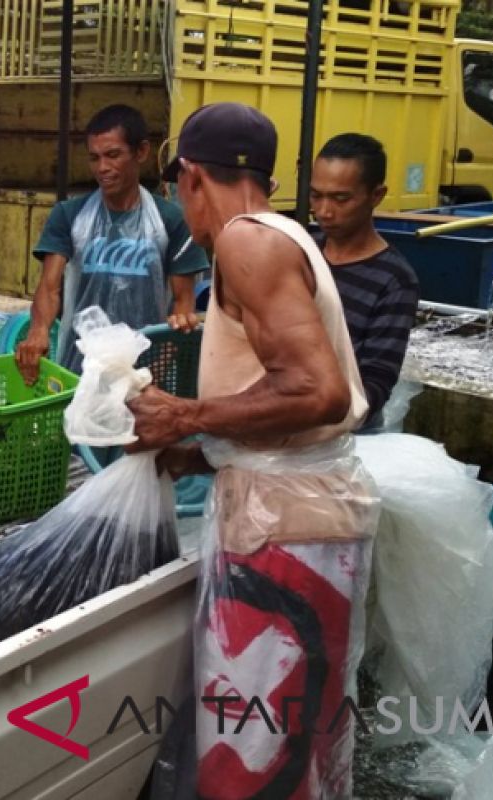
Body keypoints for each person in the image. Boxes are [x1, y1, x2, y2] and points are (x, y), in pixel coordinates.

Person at [127, 103, 379, 799]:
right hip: (297, 519)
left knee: (256, 750)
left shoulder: (247, 242)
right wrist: (202, 448)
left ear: (190, 178)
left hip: (285, 536)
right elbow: (280, 403)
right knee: (296, 743)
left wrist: (187, 416)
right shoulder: (282, 235)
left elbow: (316, 391)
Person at [15, 104, 209, 382]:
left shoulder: (170, 221)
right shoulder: (70, 215)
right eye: (94, 158)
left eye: (113, 155)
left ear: (141, 152)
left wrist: (151, 376)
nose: (102, 168)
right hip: (78, 371)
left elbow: (182, 306)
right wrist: (38, 330)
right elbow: (49, 286)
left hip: (145, 368)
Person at [311, 133, 420, 430]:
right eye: (316, 195)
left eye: (340, 198)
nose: (324, 211)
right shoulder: (301, 251)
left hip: (349, 434)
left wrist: (309, 417)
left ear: (376, 195)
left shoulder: (395, 280)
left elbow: (375, 383)